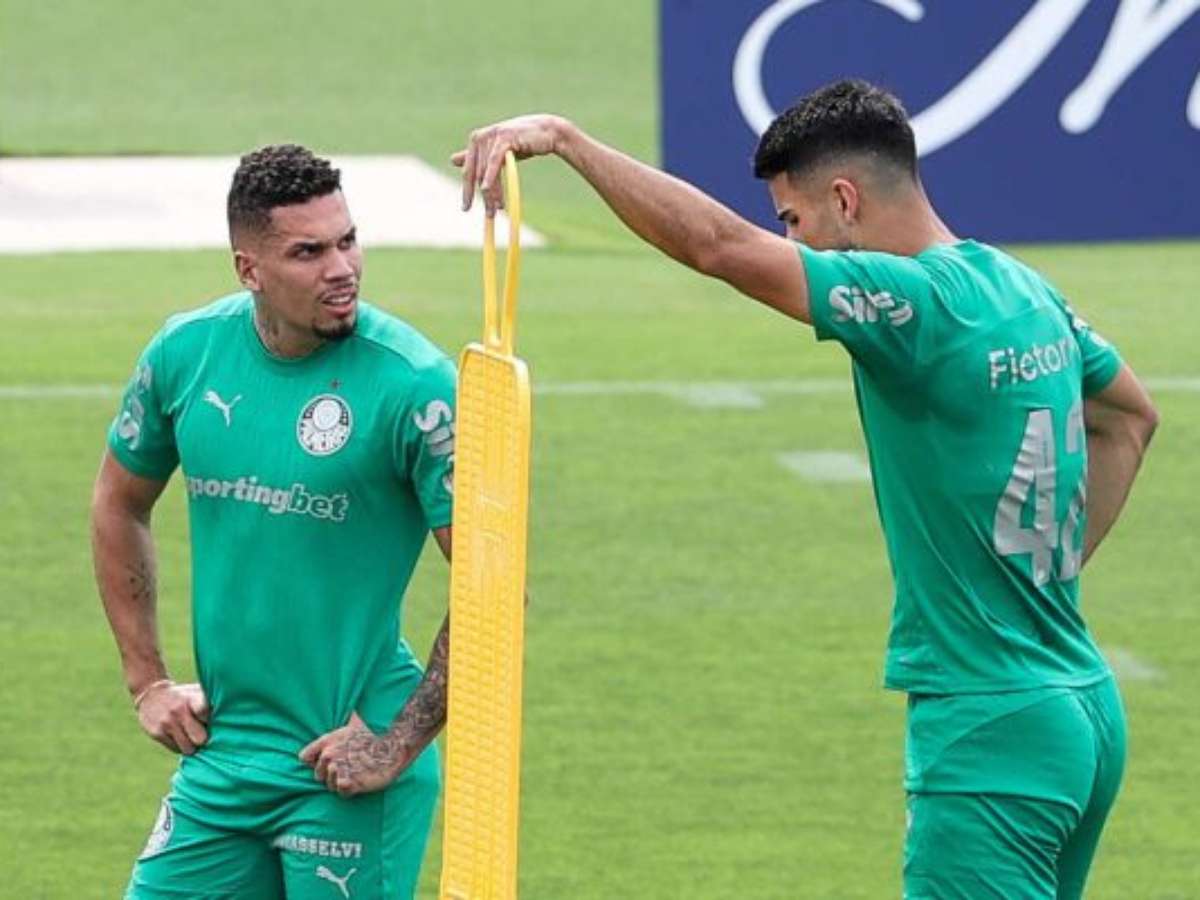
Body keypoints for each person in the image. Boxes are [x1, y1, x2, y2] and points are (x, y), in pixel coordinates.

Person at [450, 81, 1158, 897]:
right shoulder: (1021, 288)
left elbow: (719, 248)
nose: (794, 243)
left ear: (845, 200)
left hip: (989, 729)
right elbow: (1130, 419)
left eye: (793, 220)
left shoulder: (919, 305)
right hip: (1081, 706)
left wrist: (567, 139)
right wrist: (1040, 574)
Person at [92, 144, 456, 899]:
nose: (342, 268)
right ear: (249, 269)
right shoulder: (186, 354)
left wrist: (398, 740)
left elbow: (497, 584)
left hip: (343, 759)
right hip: (223, 757)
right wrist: (146, 680)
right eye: (308, 252)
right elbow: (118, 503)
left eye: (348, 241)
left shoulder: (416, 385)